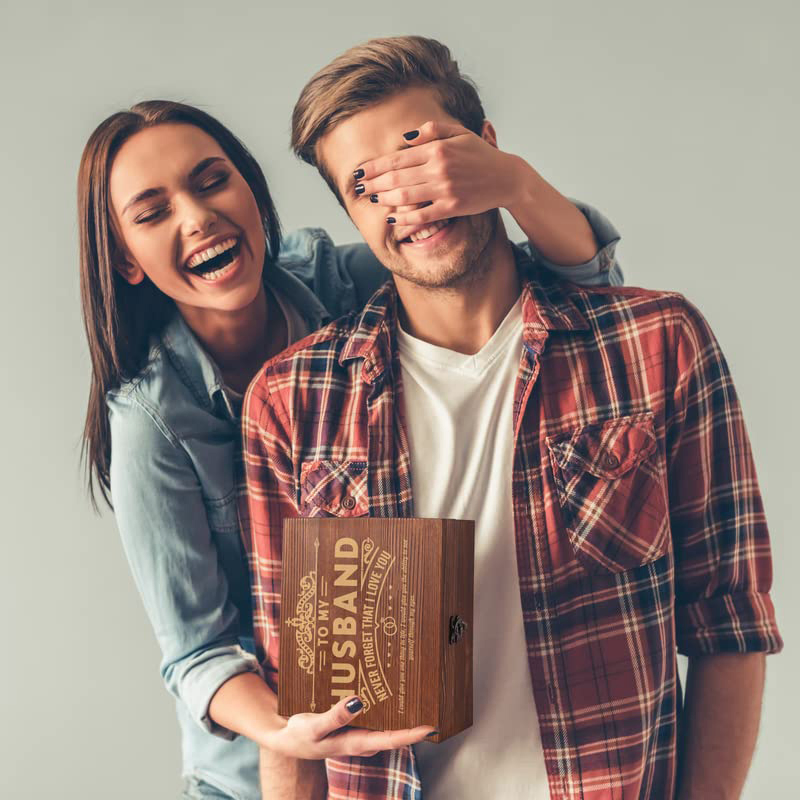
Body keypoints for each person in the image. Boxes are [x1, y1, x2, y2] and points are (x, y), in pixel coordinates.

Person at [242, 35, 783, 799]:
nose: (407, 199)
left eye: (423, 158)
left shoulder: (658, 343)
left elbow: (730, 626)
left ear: (486, 148)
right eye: (368, 186)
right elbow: (291, 702)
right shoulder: (294, 402)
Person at [78, 98, 622, 799]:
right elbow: (197, 654)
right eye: (153, 212)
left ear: (251, 188)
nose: (197, 217)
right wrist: (288, 732)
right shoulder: (150, 418)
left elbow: (581, 290)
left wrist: (514, 184)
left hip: (421, 738)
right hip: (258, 774)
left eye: (212, 181)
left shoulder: (344, 284)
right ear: (125, 259)